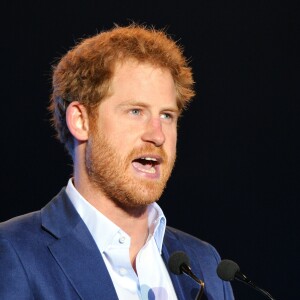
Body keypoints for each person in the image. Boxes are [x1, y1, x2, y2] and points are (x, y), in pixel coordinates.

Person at [0, 24, 234, 300]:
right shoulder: (13, 252)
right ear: (81, 121)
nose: (157, 135)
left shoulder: (205, 264)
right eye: (136, 111)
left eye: (167, 116)